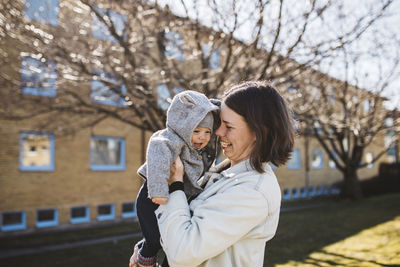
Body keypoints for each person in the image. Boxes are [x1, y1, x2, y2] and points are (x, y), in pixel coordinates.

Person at [130, 81, 295, 267]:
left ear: (259, 131)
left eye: (228, 126)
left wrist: (174, 184)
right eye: (219, 123)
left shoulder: (252, 191)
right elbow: (185, 224)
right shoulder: (223, 173)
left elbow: (183, 252)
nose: (217, 132)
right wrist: (149, 246)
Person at [134, 90, 220, 267]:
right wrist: (158, 190)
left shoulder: (197, 150)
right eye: (196, 130)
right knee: (155, 239)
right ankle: (144, 260)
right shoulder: (167, 139)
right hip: (153, 197)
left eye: (207, 132)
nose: (202, 137)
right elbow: (157, 159)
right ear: (183, 126)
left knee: (169, 241)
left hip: (175, 198)